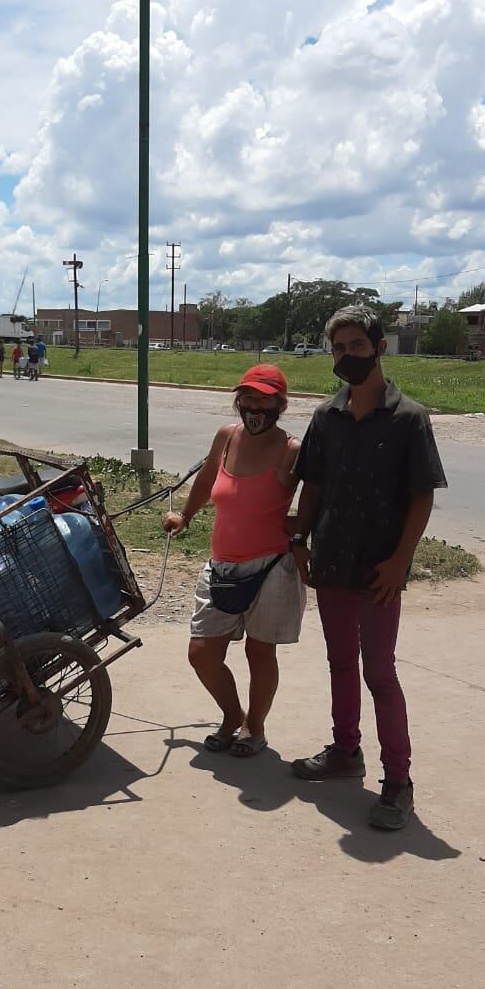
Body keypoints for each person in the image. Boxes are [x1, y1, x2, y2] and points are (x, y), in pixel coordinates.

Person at [290, 306, 447, 830]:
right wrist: (299, 541)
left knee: (379, 672)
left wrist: (400, 561)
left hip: (380, 568)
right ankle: (345, 752)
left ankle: (398, 782)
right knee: (340, 663)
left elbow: (421, 497)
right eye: (338, 348)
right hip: (332, 560)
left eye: (356, 346)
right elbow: (311, 485)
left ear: (380, 347)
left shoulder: (408, 418)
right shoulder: (325, 417)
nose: (345, 357)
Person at [163, 364, 305, 757]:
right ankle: (231, 715)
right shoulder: (226, 437)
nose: (255, 406)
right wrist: (184, 516)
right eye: (249, 397)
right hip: (222, 564)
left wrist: (302, 533)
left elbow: (316, 496)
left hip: (272, 566)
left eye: (264, 398)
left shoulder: (292, 449)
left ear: (280, 403)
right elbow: (207, 481)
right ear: (238, 401)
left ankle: (254, 728)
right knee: (202, 653)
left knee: (260, 652)